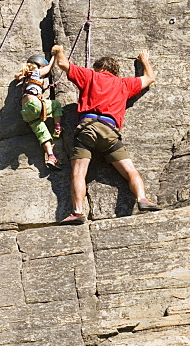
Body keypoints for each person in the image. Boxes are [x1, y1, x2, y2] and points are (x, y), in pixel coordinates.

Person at [50, 46, 158, 223]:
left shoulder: (90, 76)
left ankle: (77, 212)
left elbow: (62, 63)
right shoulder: (124, 83)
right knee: (130, 170)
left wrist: (58, 50)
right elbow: (149, 78)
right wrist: (144, 60)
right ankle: (142, 198)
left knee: (78, 173)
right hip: (110, 131)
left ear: (100, 68)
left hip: (88, 129)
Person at [14, 52, 63, 170]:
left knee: (42, 133)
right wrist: (55, 56)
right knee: (56, 105)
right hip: (34, 103)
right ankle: (57, 127)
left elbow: (17, 77)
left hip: (26, 111)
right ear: (40, 66)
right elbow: (49, 68)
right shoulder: (36, 72)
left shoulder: (26, 78)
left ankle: (51, 156)